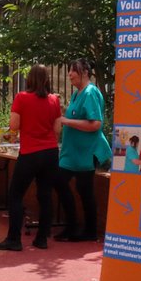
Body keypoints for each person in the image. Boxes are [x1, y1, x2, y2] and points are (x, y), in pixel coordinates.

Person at [0, 65, 62, 251]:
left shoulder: (22, 97)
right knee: (45, 195)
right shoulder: (54, 100)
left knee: (15, 194)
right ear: (47, 79)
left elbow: (14, 125)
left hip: (30, 152)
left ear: (29, 79)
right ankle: (42, 239)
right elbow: (57, 129)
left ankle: (14, 239)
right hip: (50, 152)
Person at [55, 58, 111, 242]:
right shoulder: (77, 94)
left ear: (85, 72)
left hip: (87, 152)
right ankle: (75, 227)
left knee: (82, 188)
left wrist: (66, 121)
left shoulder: (90, 93)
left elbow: (95, 124)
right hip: (73, 153)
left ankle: (87, 230)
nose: (69, 74)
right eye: (70, 71)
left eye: (73, 71)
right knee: (66, 184)